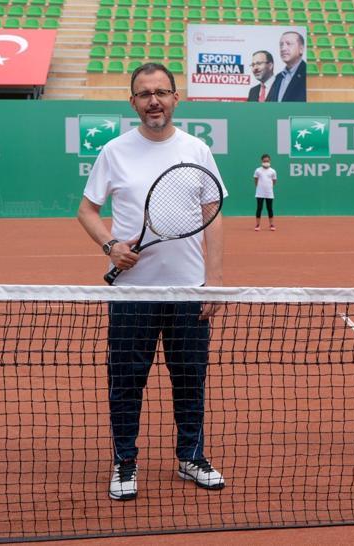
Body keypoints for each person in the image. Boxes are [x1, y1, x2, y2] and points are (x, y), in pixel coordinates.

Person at [77, 62, 228, 501]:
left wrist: (215, 280)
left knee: (190, 380)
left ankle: (191, 457)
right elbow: (86, 211)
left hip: (189, 290)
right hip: (133, 293)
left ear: (176, 98)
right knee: (126, 381)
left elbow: (213, 216)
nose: (154, 101)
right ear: (133, 103)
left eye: (161, 92)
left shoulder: (197, 150)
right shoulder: (114, 151)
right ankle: (125, 462)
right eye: (145, 94)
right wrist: (110, 246)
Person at [267, 31, 307, 102]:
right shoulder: (278, 77)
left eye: (289, 44)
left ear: (301, 49)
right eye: (281, 45)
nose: (283, 49)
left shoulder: (307, 74)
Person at [253, 153, 277, 231]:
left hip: (269, 193)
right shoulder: (258, 170)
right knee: (259, 208)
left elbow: (274, 181)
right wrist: (259, 188)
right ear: (262, 161)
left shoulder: (273, 171)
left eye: (267, 161)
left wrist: (269, 187)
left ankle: (271, 225)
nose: (266, 162)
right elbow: (256, 180)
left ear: (270, 161)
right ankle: (257, 225)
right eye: (264, 161)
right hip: (259, 193)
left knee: (269, 208)